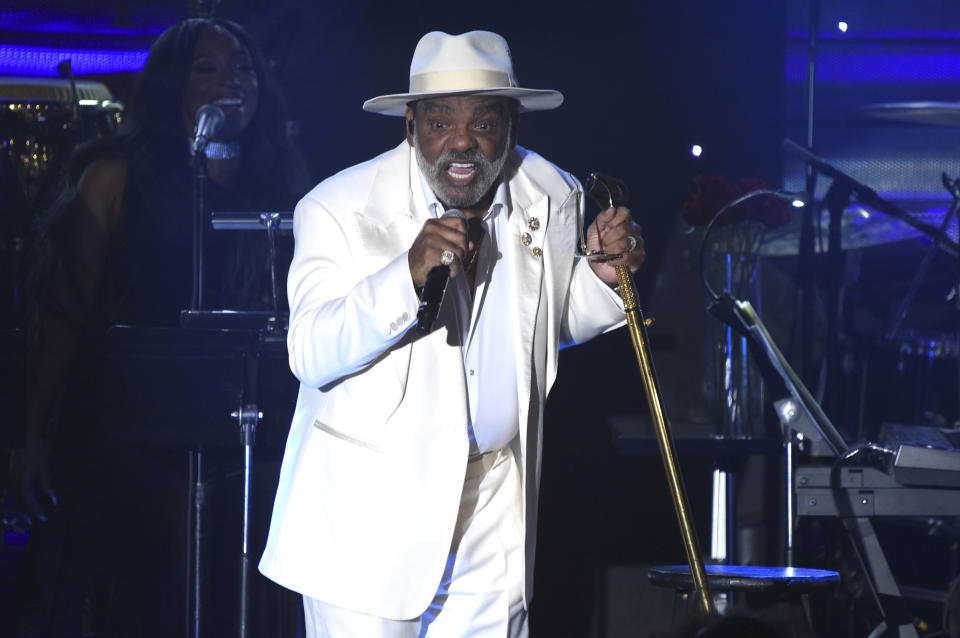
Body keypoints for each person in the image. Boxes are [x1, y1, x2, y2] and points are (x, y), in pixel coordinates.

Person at [259, 30, 645, 637]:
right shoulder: (337, 206)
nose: (462, 142)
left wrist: (599, 280)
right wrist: (406, 277)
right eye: (440, 123)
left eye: (484, 123)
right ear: (410, 126)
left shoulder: (552, 194)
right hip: (367, 521)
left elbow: (543, 329)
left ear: (512, 126)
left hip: (494, 502)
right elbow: (310, 353)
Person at [14, 17, 307, 637]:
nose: (233, 81)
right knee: (141, 597)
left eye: (244, 68)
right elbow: (65, 310)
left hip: (240, 433)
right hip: (131, 436)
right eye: (209, 68)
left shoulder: (280, 179)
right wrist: (30, 433)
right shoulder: (117, 176)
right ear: (174, 84)